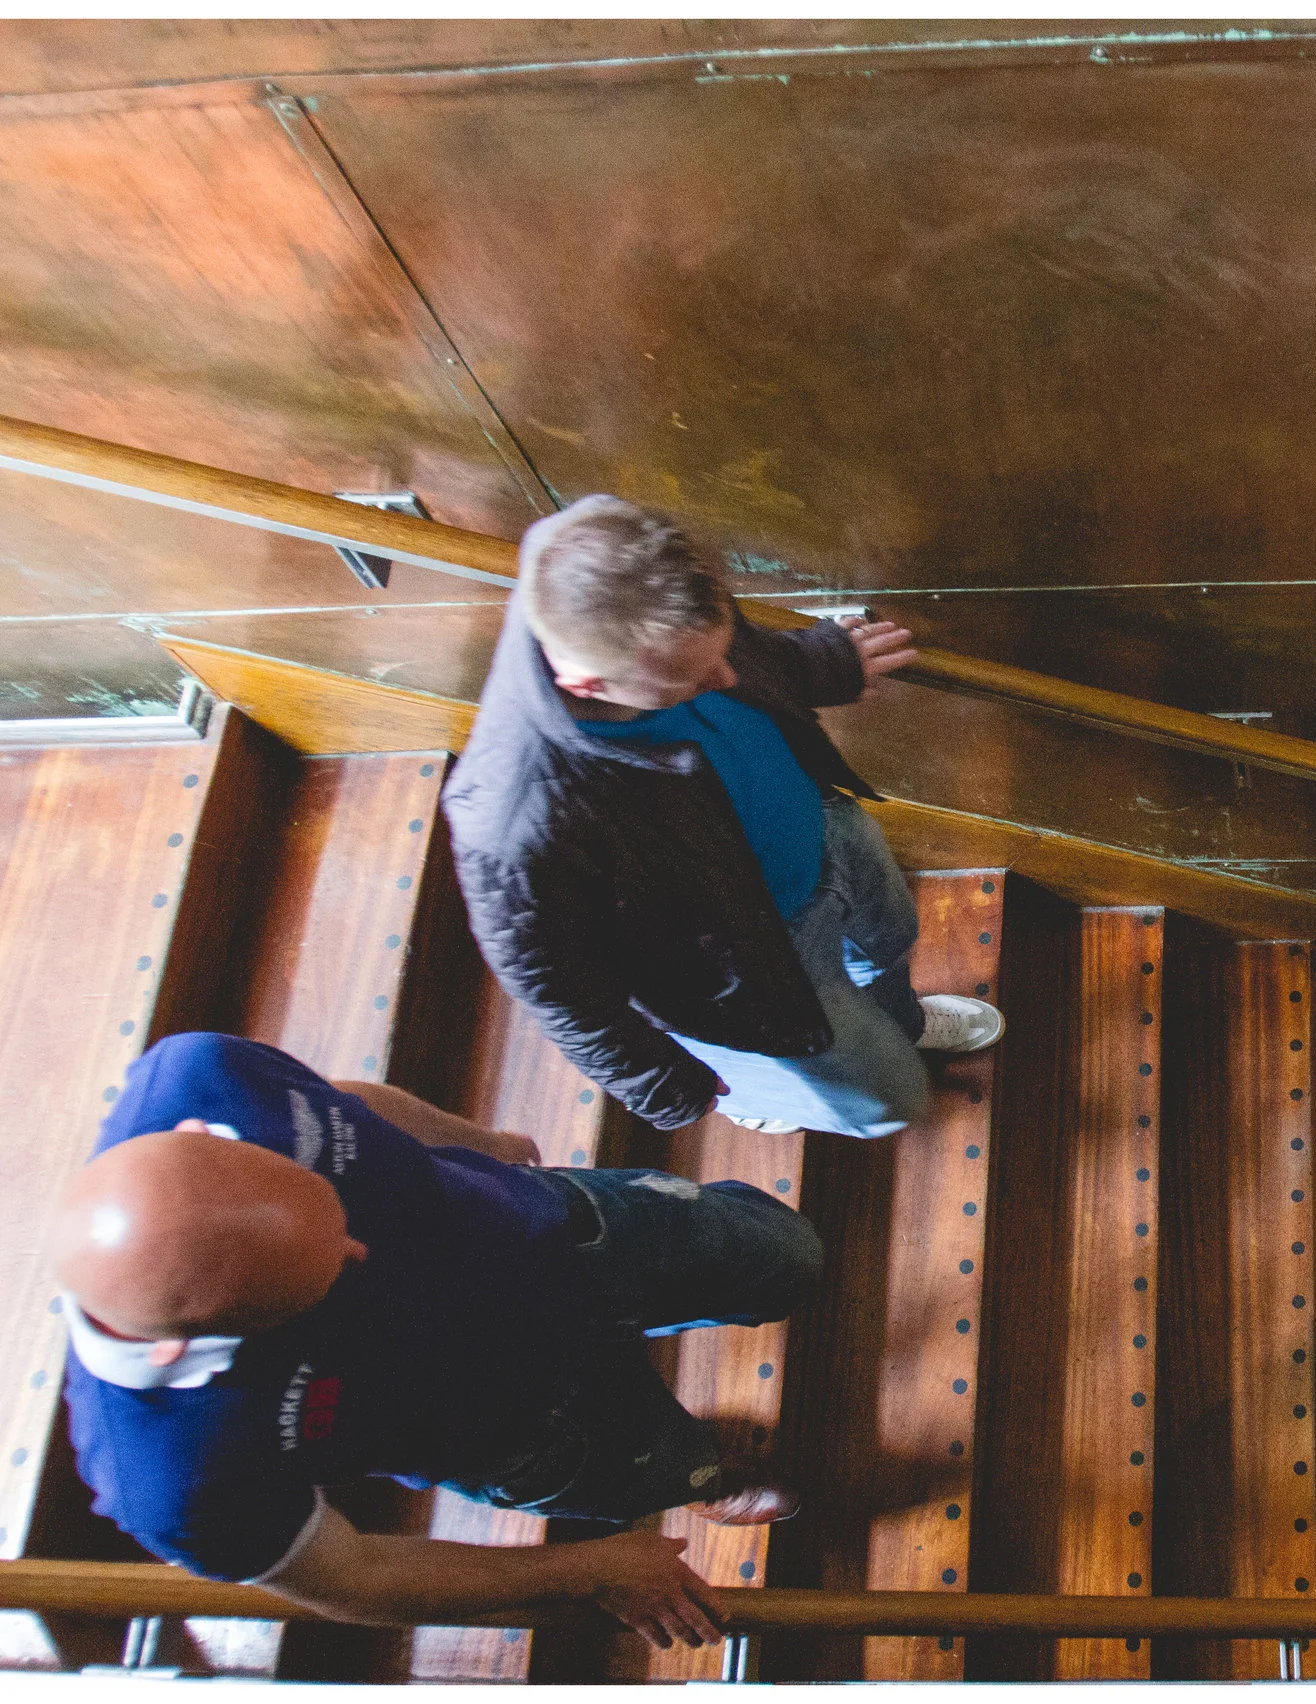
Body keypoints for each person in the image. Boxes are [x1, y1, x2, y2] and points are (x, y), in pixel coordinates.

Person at [51, 1033, 816, 1650]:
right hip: (524, 1426)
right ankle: (708, 1479)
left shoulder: (200, 1076)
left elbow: (344, 1101)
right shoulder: (169, 1480)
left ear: (205, 1136)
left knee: (783, 1257)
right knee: (665, 1467)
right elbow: (351, 1577)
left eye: (333, 1212)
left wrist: (479, 1142)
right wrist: (590, 1566)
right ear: (180, 1350)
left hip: (566, 1236)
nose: (360, 1252)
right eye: (322, 1281)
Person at [444, 495, 1002, 1140]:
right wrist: (664, 1085)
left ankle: (900, 1021)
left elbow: (747, 657)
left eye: (724, 648)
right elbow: (557, 988)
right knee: (891, 1099)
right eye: (693, 678)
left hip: (823, 830)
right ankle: (769, 1094)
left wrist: (817, 663)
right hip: (752, 957)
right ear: (588, 683)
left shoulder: (629, 563)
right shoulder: (513, 824)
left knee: (888, 943)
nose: (728, 675)